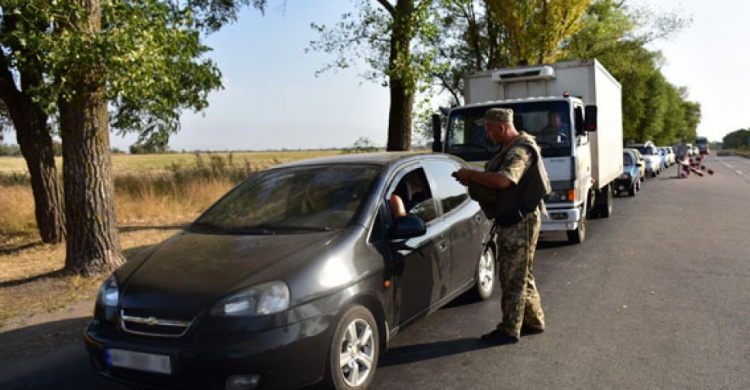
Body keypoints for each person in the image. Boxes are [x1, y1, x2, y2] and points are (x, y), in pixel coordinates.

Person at [454, 107, 550, 346]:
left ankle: (509, 329)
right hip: (515, 219)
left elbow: (504, 180)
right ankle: (534, 320)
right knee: (521, 274)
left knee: (512, 276)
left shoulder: (519, 151)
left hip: (521, 222)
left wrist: (472, 175)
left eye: (489, 129)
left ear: (502, 127)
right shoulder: (510, 148)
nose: (488, 135)